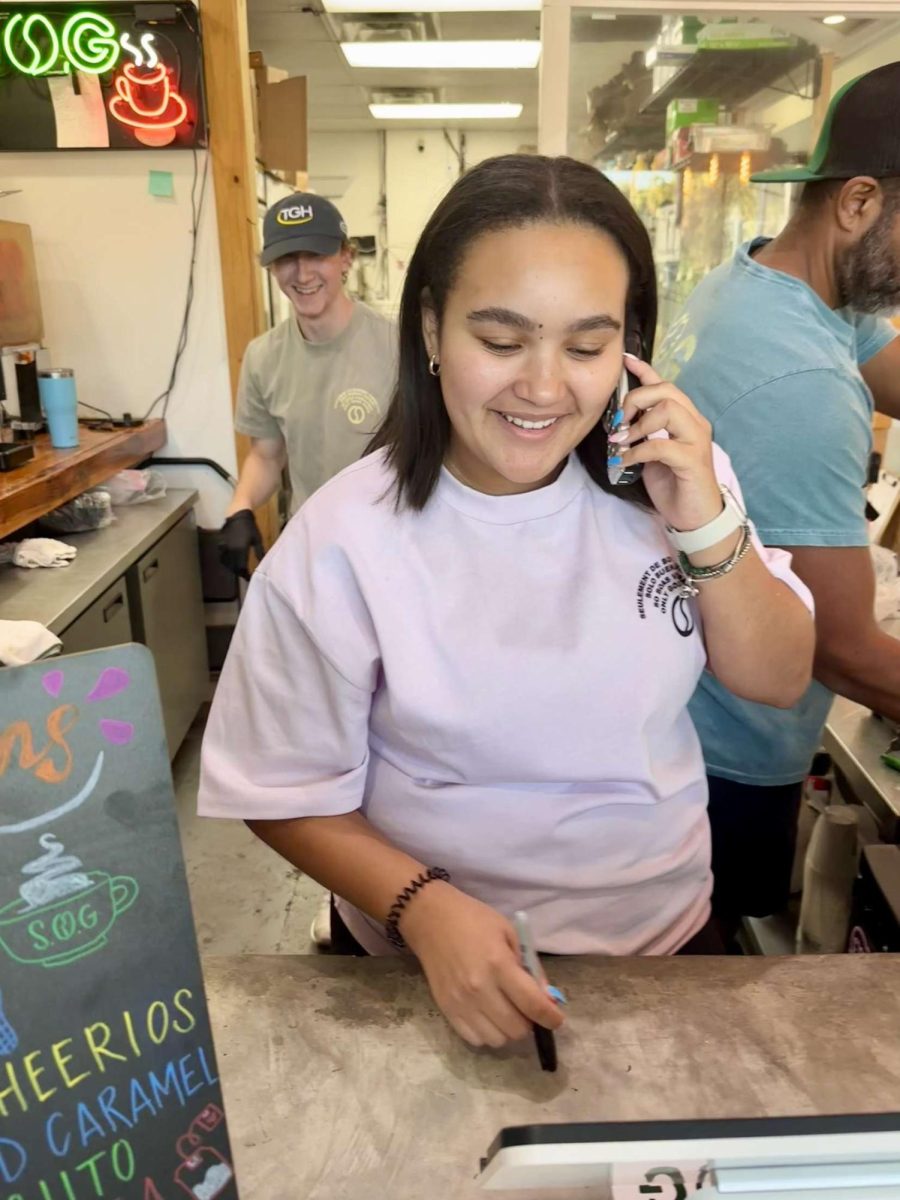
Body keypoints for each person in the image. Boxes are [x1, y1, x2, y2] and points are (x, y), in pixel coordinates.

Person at [199, 154, 814, 1050]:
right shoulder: (344, 541)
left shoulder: (676, 479)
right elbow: (280, 790)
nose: (544, 386)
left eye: (587, 346)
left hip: (667, 941)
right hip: (421, 968)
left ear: (630, 345)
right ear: (431, 331)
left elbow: (777, 677)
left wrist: (706, 523)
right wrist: (420, 908)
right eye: (501, 341)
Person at [655, 60, 900, 941]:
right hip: (724, 751)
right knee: (706, 990)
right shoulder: (798, 376)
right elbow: (843, 653)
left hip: (688, 703)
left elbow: (880, 358)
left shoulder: (760, 281)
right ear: (861, 204)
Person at [218, 191, 397, 581]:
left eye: (316, 256)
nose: (301, 275)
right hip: (314, 547)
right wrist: (241, 506)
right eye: (286, 259)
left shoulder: (399, 347)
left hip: (393, 545)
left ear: (345, 257)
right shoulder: (264, 357)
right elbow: (266, 456)